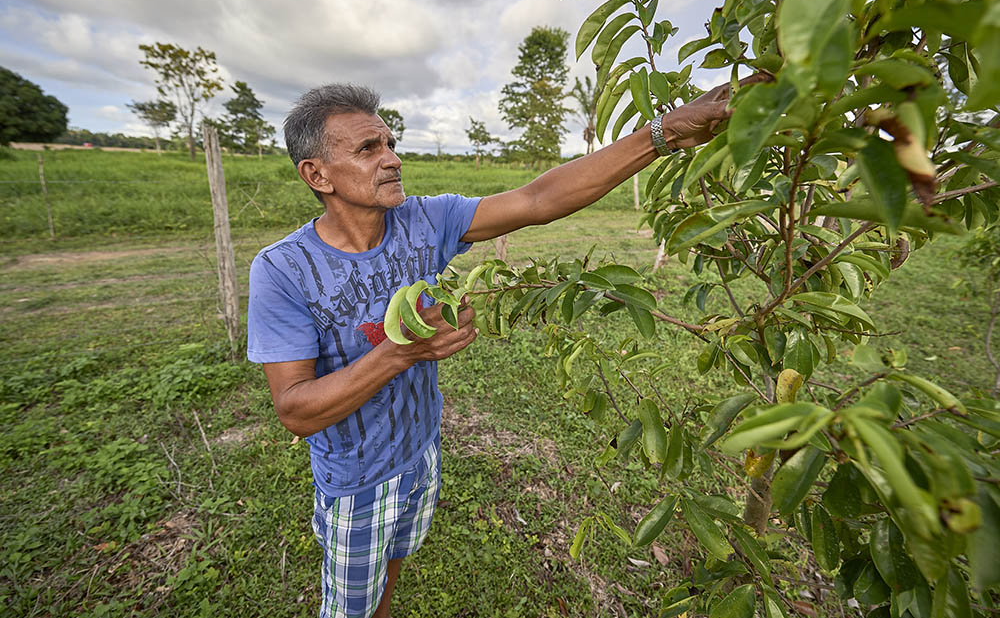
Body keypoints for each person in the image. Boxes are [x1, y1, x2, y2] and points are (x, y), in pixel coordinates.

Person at [247, 78, 755, 618]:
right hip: (355, 483)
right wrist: (403, 351)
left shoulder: (423, 220)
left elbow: (539, 199)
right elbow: (296, 410)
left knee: (390, 573)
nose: (392, 160)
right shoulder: (282, 270)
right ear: (316, 174)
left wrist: (662, 133)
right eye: (368, 149)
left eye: (391, 144)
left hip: (421, 452)